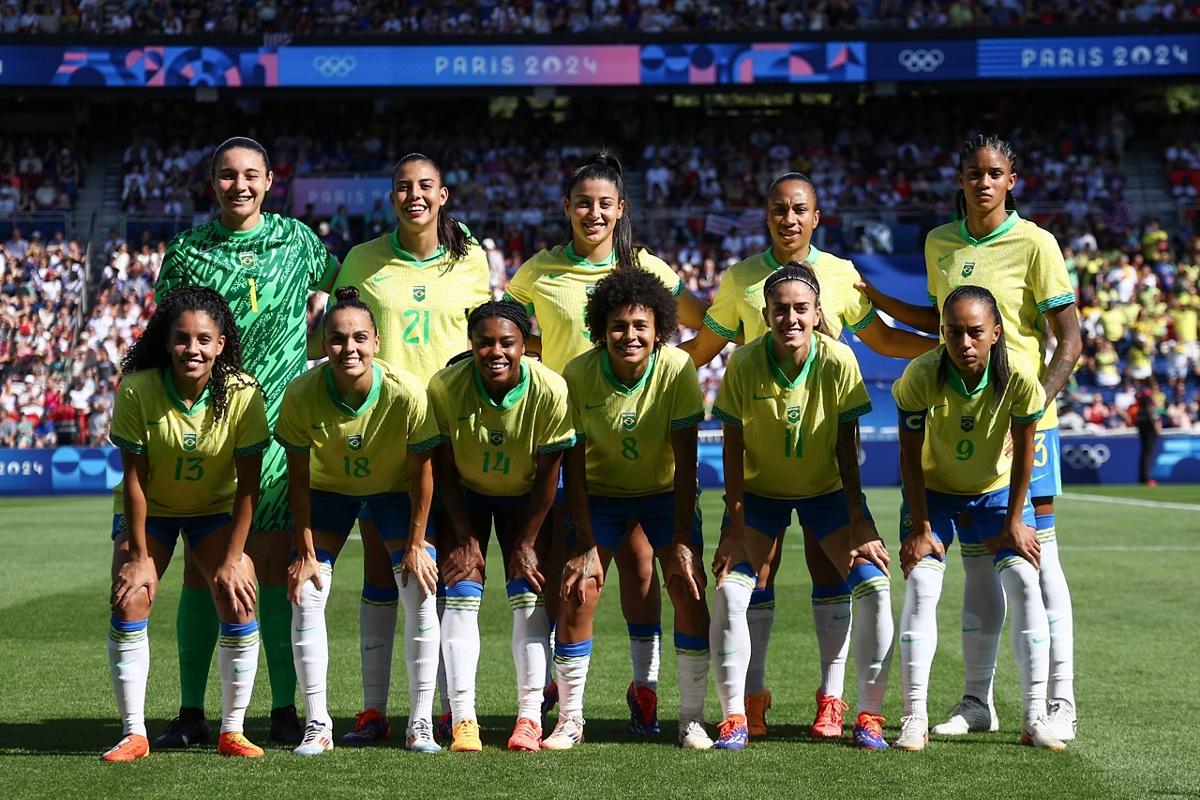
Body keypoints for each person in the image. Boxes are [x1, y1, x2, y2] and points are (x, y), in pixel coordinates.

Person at [682, 171, 933, 739]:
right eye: (778, 209)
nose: (788, 218)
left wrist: (951, 350)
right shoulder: (741, 281)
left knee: (833, 574)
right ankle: (753, 697)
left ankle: (834, 698)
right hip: (761, 466)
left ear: (816, 217)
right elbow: (702, 348)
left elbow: (885, 341)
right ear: (765, 215)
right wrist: (642, 375)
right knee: (755, 579)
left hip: (826, 467)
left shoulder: (842, 276)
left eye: (799, 209)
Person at [858, 135, 1082, 742]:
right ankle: (977, 701)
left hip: (1024, 426)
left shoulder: (1036, 243)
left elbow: (1070, 337)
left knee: (1040, 561)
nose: (983, 182)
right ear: (959, 179)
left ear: (1012, 180)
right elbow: (942, 322)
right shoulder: (939, 242)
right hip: (962, 420)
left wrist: (1032, 412)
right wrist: (876, 300)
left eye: (995, 173)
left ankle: (1059, 701)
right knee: (982, 571)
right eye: (973, 173)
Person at [502, 150, 710, 725]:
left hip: (638, 433)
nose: (593, 213)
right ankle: (549, 687)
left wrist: (675, 369)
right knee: (562, 569)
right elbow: (508, 338)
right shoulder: (538, 272)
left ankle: (644, 688)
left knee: (644, 568)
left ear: (621, 209)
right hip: (565, 437)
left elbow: (706, 320)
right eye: (583, 203)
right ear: (567, 208)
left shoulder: (650, 268)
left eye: (605, 204)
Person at [151, 136, 340, 748]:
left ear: (269, 180)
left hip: (279, 427)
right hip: (206, 430)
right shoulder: (186, 251)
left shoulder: (301, 243)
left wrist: (311, 357)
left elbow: (348, 300)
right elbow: (166, 339)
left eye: (251, 175)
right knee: (202, 575)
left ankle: (283, 709)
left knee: (278, 564)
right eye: (228, 175)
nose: (240, 185)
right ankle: (189, 710)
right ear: (213, 183)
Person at [324, 153, 492, 746]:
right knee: (384, 568)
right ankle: (374, 710)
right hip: (387, 434)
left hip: (455, 431)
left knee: (450, 568)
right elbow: (345, 332)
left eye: (425, 187)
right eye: (403, 187)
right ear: (390, 196)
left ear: (443, 195)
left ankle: (453, 709)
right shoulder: (363, 261)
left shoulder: (472, 259)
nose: (413, 195)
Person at [709, 264, 894, 751]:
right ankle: (740, 710)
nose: (790, 317)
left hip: (826, 495)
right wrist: (734, 523)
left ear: (817, 313)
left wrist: (860, 520)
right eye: (780, 309)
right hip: (759, 497)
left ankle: (858, 710)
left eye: (800, 309)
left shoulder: (838, 360)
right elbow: (732, 449)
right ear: (766, 314)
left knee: (875, 587)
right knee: (730, 592)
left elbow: (845, 446)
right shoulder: (745, 362)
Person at [892, 285, 1065, 752]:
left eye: (974, 333)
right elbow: (908, 458)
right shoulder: (921, 375)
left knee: (1027, 583)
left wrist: (1014, 521)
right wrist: (922, 527)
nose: (963, 343)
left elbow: (1026, 453)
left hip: (994, 494)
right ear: (942, 333)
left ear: (995, 333)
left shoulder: (1021, 378)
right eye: (953, 333)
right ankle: (914, 717)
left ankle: (1034, 717)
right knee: (923, 586)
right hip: (933, 494)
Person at [103, 286, 269, 761]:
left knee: (240, 597)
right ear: (166, 341)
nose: (191, 349)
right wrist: (137, 558)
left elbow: (248, 488)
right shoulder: (137, 388)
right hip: (150, 511)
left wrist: (235, 559)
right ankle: (134, 733)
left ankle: (232, 730)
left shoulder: (242, 394)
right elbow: (134, 480)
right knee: (131, 597)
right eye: (181, 339)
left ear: (220, 344)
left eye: (203, 339)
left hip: (213, 510)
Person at [549, 268, 712, 751]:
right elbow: (572, 467)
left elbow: (686, 464)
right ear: (601, 329)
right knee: (580, 589)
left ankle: (691, 719)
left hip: (663, 495)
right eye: (618, 325)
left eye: (640, 326)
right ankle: (571, 719)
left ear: (659, 329)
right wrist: (582, 542)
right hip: (599, 496)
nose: (629, 335)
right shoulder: (577, 374)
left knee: (687, 586)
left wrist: (682, 540)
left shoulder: (678, 369)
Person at [276, 287, 441, 755]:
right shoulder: (303, 394)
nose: (349, 348)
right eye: (337, 338)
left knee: (419, 584)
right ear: (323, 342)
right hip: (329, 495)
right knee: (306, 592)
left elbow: (423, 474)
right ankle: (318, 724)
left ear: (376, 343)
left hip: (394, 493)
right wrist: (306, 552)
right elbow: (298, 477)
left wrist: (415, 545)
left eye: (359, 338)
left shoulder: (405, 392)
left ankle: (420, 723)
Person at [427, 300, 575, 752]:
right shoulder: (446, 386)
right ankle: (462, 717)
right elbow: (444, 467)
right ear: (470, 345)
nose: (496, 351)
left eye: (507, 342)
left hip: (527, 499)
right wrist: (466, 537)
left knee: (527, 591)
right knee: (460, 587)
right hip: (464, 497)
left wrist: (527, 541)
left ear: (524, 345)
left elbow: (550, 474)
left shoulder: (550, 388)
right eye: (485, 342)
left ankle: (529, 716)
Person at [1134, 381, 1161, 486]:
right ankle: (1146, 478)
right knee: (1148, 453)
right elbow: (1152, 413)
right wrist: (1156, 427)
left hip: (1141, 424)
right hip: (1149, 427)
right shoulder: (1149, 397)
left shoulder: (1142, 395)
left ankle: (1143, 478)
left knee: (1145, 453)